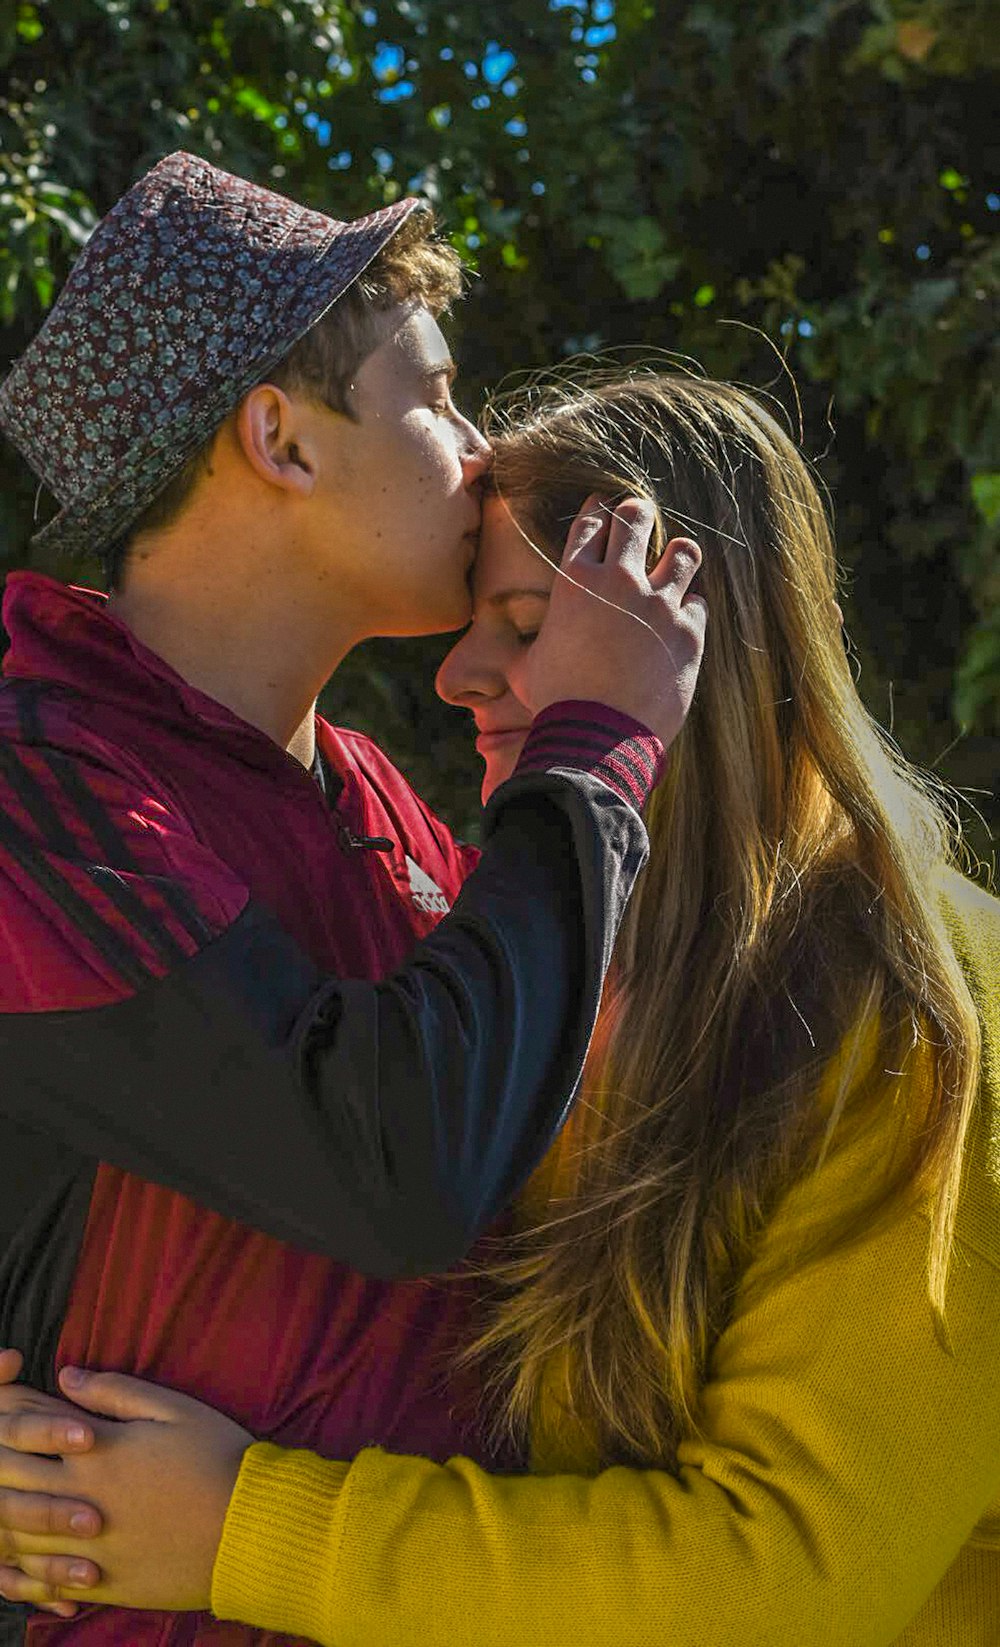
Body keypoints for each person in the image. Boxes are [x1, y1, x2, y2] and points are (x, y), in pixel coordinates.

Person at [0, 368, 995, 1647]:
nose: (462, 675)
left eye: (530, 626)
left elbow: (781, 1572)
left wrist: (241, 1528)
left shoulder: (916, 998)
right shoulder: (547, 950)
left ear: (695, 649)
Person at [0, 153, 707, 1646]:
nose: (481, 444)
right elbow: (390, 1163)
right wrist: (594, 755)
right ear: (280, 438)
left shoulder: (376, 792)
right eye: (440, 396)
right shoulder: (37, 782)